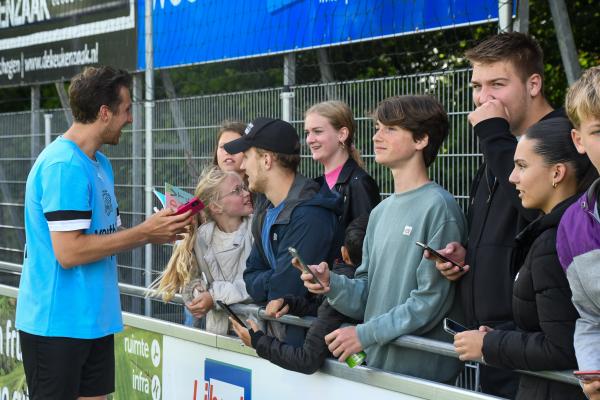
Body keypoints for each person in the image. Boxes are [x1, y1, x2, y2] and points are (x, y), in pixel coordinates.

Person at [15, 66, 192, 400]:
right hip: (57, 325)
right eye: (126, 110)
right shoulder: (63, 166)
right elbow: (69, 252)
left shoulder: (99, 163)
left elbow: (106, 234)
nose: (131, 119)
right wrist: (143, 234)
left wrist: (159, 230)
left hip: (93, 320)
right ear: (104, 112)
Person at [428, 32, 564, 397]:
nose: (483, 97)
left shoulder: (563, 140)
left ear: (533, 84)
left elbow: (546, 219)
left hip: (534, 348)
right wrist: (465, 254)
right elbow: (509, 234)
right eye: (477, 85)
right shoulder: (500, 144)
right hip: (492, 341)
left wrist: (493, 136)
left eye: (497, 84)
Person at [302, 95, 466, 383]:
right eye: (377, 127)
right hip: (380, 372)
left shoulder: (439, 207)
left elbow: (429, 303)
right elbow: (368, 295)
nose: (377, 136)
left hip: (419, 379)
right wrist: (332, 284)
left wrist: (363, 335)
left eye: (390, 128)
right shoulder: (379, 213)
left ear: (421, 140)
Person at [454, 118, 595, 400]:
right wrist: (501, 333)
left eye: (522, 166)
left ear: (557, 173)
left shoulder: (553, 242)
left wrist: (490, 344)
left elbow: (562, 348)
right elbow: (553, 322)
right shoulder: (565, 230)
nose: (511, 177)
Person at [223, 117, 342, 346]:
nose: (242, 166)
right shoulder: (266, 209)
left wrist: (272, 279)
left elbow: (287, 289)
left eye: (247, 156)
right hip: (281, 344)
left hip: (307, 353)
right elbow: (250, 277)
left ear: (266, 160)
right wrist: (276, 275)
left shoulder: (310, 215)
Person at [230, 215, 368, 374]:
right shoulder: (386, 285)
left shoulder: (340, 294)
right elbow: (322, 309)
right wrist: (290, 303)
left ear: (344, 253)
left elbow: (307, 360)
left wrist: (258, 341)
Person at [150, 166, 254, 335]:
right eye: (237, 191)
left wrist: (213, 296)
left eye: (244, 187)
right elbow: (190, 281)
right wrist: (197, 293)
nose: (246, 193)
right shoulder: (201, 238)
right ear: (216, 207)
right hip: (217, 333)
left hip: (255, 333)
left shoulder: (257, 230)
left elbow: (255, 284)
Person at [557, 66, 600, 400]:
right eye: (599, 130)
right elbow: (590, 319)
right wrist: (592, 370)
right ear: (579, 140)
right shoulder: (574, 227)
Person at [305, 101, 380, 230]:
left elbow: (364, 243)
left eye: (317, 131)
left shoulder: (359, 184)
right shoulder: (316, 185)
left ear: (342, 134)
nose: (309, 140)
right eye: (307, 132)